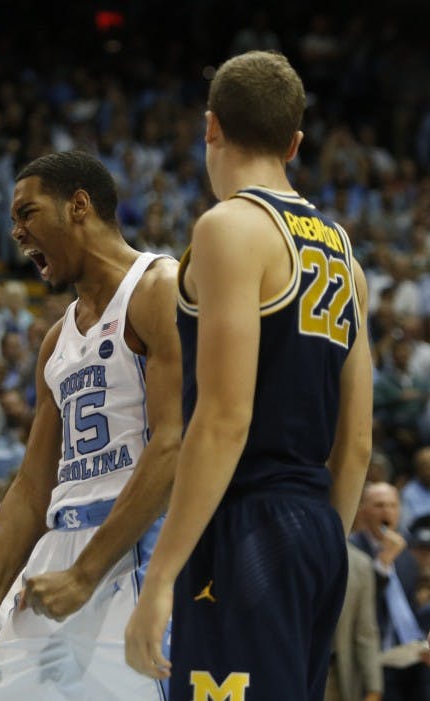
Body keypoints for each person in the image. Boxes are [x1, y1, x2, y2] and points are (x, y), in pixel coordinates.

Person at [125, 51, 373, 701]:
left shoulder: (230, 226)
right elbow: (357, 443)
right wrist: (319, 548)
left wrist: (160, 579)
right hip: (318, 530)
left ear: (211, 127)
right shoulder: (345, 251)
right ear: (294, 143)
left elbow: (223, 418)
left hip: (245, 527)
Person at [0, 150, 183, 700]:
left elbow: (173, 444)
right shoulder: (57, 339)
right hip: (59, 547)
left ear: (79, 206)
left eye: (27, 214)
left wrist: (87, 573)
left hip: (135, 544)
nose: (17, 232)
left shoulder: (157, 287)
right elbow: (31, 485)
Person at [351, 482, 430, 701]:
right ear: (362, 510)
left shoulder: (406, 556)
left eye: (393, 505)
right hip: (376, 657)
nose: (387, 511)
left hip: (412, 654)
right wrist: (382, 564)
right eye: (379, 505)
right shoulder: (352, 551)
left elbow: (410, 608)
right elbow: (357, 607)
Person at [326, 542, 382, 701]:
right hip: (292, 670)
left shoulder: (360, 563)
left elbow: (366, 632)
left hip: (335, 674)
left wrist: (374, 688)